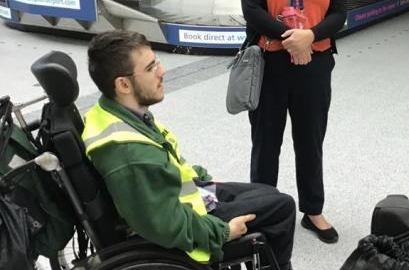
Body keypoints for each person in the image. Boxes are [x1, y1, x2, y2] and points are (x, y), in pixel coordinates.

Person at [82, 31, 296, 270]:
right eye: (151, 67)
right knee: (282, 207)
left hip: (184, 196)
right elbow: (165, 224)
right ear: (123, 84)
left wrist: (200, 178)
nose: (162, 72)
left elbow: (165, 163)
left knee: (267, 192)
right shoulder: (129, 154)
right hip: (188, 222)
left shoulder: (113, 114)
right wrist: (223, 232)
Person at [240, 0, 347, 244]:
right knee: (266, 142)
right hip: (270, 64)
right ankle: (262, 211)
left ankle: (313, 210)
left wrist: (310, 37)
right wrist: (293, 37)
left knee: (310, 139)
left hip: (314, 64)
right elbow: (252, 9)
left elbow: (340, 13)